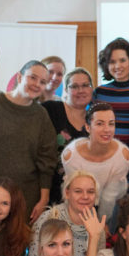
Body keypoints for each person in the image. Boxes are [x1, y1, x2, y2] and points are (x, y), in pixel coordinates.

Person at [0, 60, 56, 223]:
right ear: (19, 77)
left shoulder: (41, 115)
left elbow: (47, 159)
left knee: (18, 238)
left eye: (42, 82)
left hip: (26, 196)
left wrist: (43, 199)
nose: (37, 84)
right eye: (33, 77)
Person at [93, 38, 129, 199]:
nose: (117, 66)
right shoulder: (99, 93)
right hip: (102, 167)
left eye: (122, 60)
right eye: (112, 62)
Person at [62, 102, 129, 227]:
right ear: (88, 127)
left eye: (111, 124)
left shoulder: (123, 155)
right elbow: (76, 195)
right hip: (79, 204)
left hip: (113, 205)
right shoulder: (71, 155)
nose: (107, 129)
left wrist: (101, 224)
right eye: (100, 124)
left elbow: (109, 197)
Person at [42, 67, 91, 205]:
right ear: (65, 90)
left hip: (84, 197)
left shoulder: (94, 119)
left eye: (85, 85)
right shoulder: (51, 109)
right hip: (50, 193)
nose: (81, 90)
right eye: (74, 86)